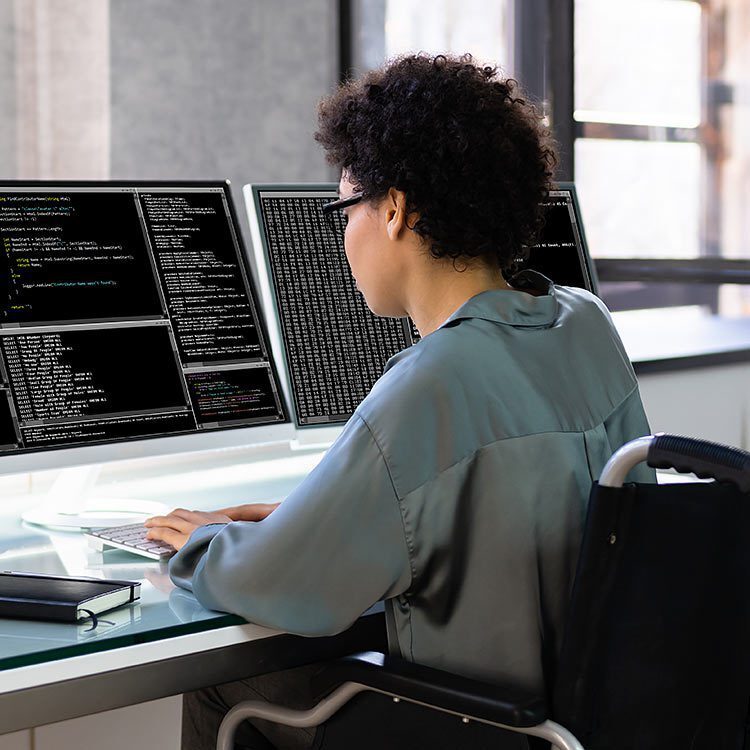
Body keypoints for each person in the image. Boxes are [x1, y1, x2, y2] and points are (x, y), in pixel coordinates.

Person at [145, 53, 655, 750]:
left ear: (394, 210)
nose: (344, 236)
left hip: (475, 728)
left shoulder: (431, 381)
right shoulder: (584, 324)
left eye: (344, 207)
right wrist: (325, 514)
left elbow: (289, 585)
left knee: (223, 685)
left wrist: (205, 541)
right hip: (591, 718)